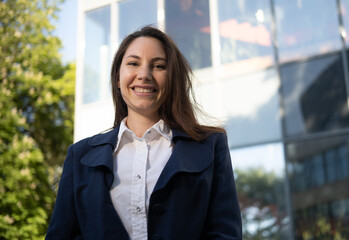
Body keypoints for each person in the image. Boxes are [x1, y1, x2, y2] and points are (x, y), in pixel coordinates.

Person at [45, 26, 242, 240]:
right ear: (117, 79)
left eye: (158, 66)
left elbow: (225, 234)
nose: (144, 75)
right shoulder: (79, 156)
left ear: (172, 79)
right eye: (133, 63)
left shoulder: (210, 146)